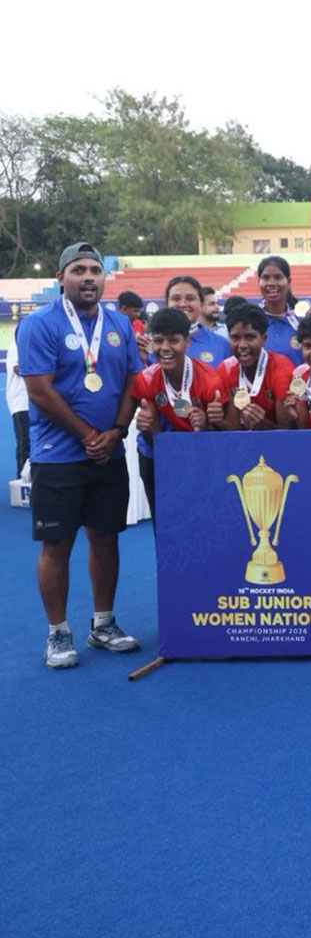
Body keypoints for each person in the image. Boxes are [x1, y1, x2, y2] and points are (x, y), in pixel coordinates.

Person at [17, 243, 143, 668]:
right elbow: (39, 391)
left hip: (108, 453)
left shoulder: (120, 324)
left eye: (94, 270)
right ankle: (58, 633)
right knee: (57, 544)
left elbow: (133, 382)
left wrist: (117, 432)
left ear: (104, 278)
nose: (88, 277)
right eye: (78, 270)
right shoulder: (39, 324)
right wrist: (90, 435)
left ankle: (103, 624)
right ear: (61, 278)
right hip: (58, 456)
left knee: (105, 538)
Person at [131, 307, 223, 520]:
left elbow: (220, 436)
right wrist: (148, 427)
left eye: (173, 341)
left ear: (187, 342)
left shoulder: (209, 379)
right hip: (157, 457)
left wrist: (207, 425)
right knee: (164, 523)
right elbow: (153, 439)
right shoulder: (145, 379)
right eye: (158, 341)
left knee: (202, 520)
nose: (165, 348)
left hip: (199, 457)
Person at [211, 304, 295, 432]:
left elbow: (287, 433)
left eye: (250, 337)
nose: (242, 345)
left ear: (264, 339)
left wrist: (264, 425)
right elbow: (234, 430)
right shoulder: (226, 369)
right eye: (235, 338)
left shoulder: (281, 369)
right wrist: (215, 421)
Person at [161, 275, 232, 368]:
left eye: (190, 298)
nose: (183, 304)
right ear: (166, 303)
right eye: (176, 299)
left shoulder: (222, 345)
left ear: (201, 304)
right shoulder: (154, 345)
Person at [256, 255, 307, 365]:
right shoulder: (252, 321)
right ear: (259, 282)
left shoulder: (302, 321)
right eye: (266, 278)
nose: (271, 283)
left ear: (289, 281)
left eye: (278, 277)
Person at [7, 332, 31, 477]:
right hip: (21, 403)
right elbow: (18, 369)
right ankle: (21, 478)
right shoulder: (15, 347)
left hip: (39, 402)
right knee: (24, 442)